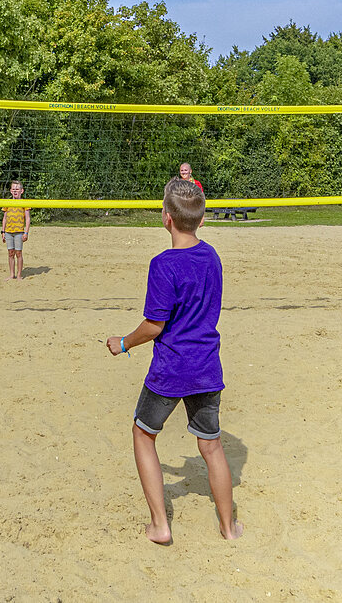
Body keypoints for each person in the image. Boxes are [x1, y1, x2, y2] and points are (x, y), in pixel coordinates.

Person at [107, 177, 242, 544]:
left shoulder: (163, 264)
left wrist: (124, 342)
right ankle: (229, 528)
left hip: (171, 369)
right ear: (202, 220)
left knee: (143, 433)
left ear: (166, 218)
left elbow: (155, 325)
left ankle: (160, 526)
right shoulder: (211, 256)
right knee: (211, 446)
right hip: (206, 367)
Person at [0, 180, 31, 280]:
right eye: (13, 189)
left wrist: (26, 232)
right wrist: (3, 231)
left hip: (19, 232)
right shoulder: (7, 202)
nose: (15, 191)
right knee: (10, 253)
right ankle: (12, 274)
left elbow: (28, 218)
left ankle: (19, 275)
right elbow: (5, 218)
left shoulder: (24, 203)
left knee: (18, 253)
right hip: (8, 232)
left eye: (17, 189)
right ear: (10, 191)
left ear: (22, 191)